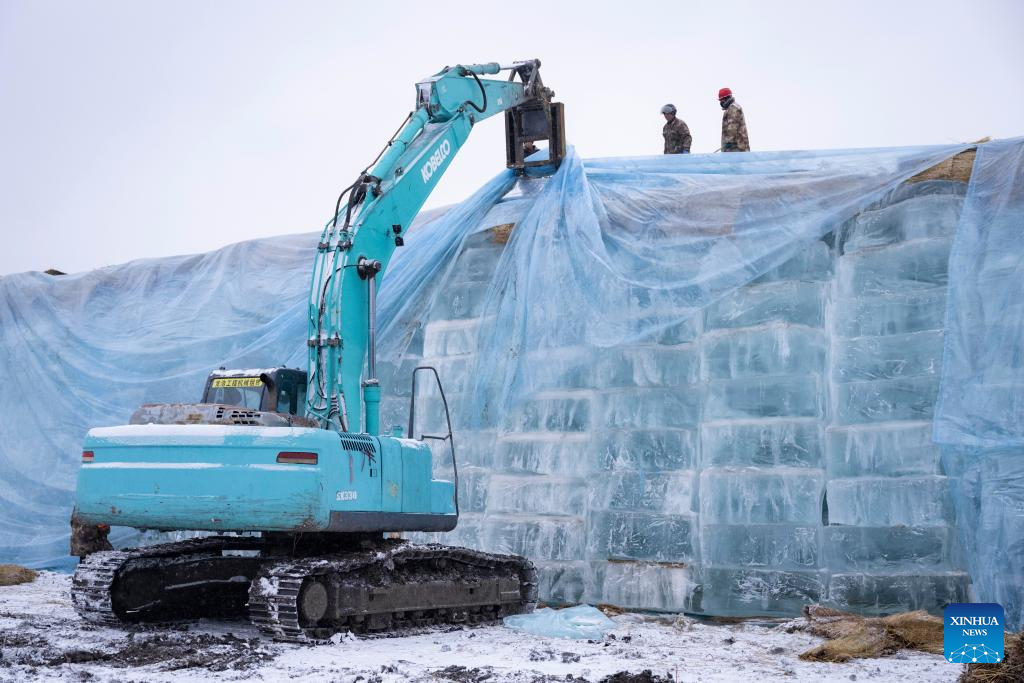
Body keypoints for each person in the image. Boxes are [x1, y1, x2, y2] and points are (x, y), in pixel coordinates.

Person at [718, 88, 749, 152]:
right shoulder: (730, 109)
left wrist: (729, 141)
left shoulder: (733, 108)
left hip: (737, 147)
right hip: (732, 148)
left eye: (721, 100)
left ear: (726, 99)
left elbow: (732, 126)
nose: (721, 103)